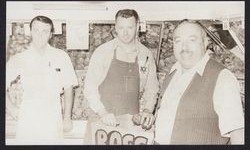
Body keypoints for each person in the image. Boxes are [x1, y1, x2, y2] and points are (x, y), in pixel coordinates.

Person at [154, 19, 244, 145]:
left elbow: (238, 135)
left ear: (205, 42)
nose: (184, 47)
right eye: (178, 41)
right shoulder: (172, 72)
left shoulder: (222, 78)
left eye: (192, 40)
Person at [83, 9, 159, 144]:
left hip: (130, 126)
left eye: (130, 27)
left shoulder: (146, 54)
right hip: (101, 122)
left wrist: (148, 110)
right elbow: (89, 87)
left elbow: (152, 88)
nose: (125, 32)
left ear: (137, 26)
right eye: (121, 27)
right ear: (115, 27)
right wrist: (102, 112)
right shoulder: (103, 52)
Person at [6, 16, 78, 144]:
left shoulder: (61, 56)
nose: (40, 35)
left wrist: (67, 117)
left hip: (53, 117)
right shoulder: (21, 58)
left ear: (51, 34)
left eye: (45, 31)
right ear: (31, 32)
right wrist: (10, 107)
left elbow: (68, 87)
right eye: (36, 30)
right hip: (28, 116)